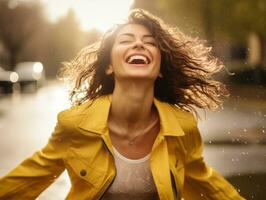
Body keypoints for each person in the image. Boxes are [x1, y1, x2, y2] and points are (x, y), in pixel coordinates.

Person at [0, 9, 244, 200]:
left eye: (149, 42)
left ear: (159, 69)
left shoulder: (181, 127)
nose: (139, 44)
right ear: (109, 66)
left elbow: (209, 187)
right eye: (126, 40)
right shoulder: (75, 125)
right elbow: (27, 181)